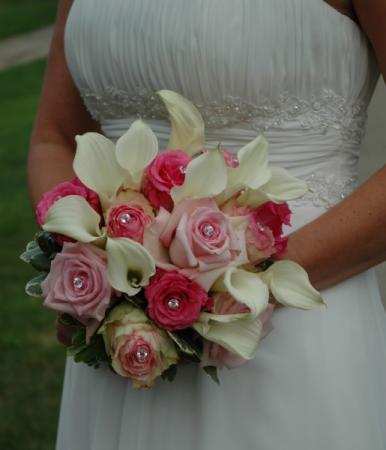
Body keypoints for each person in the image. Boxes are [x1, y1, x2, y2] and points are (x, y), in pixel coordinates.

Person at [28, 0, 386, 449]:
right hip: (124, 333)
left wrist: (224, 290)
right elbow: (54, 137)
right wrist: (89, 258)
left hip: (290, 320)